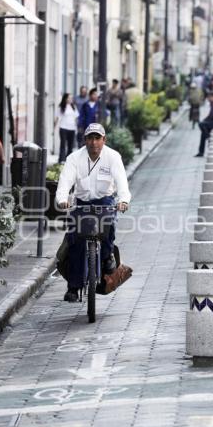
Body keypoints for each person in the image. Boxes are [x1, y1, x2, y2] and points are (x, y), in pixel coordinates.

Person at [56, 122, 131, 302]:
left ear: (104, 140)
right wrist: (62, 199)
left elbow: (122, 182)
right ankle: (73, 287)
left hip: (104, 201)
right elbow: (65, 181)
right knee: (75, 241)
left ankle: (107, 257)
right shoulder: (74, 158)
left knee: (109, 228)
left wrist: (123, 200)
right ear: (85, 140)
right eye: (90, 138)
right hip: (81, 203)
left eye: (98, 138)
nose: (94, 142)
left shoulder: (113, 157)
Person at [194, 92, 213, 157]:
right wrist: (204, 121)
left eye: (209, 97)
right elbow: (210, 116)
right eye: (208, 97)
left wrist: (203, 121)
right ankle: (201, 152)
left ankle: (208, 137)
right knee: (203, 133)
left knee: (201, 124)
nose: (208, 99)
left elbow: (210, 116)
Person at [54, 93, 79, 164]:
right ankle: (61, 159)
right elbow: (56, 118)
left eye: (71, 98)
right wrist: (54, 128)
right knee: (63, 144)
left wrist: (76, 127)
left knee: (70, 145)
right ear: (65, 98)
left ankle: (69, 160)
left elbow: (76, 118)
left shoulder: (74, 107)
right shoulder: (61, 107)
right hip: (63, 128)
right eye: (69, 98)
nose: (70, 99)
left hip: (72, 129)